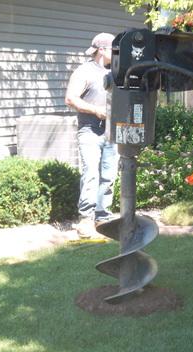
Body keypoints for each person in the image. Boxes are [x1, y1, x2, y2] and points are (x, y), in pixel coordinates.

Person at [65, 33, 117, 237]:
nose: (117, 53)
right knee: (91, 173)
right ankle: (85, 219)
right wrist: (96, 110)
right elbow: (71, 99)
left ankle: (103, 217)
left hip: (112, 131)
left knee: (109, 175)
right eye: (114, 49)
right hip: (90, 130)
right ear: (102, 50)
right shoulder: (84, 71)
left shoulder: (116, 71)